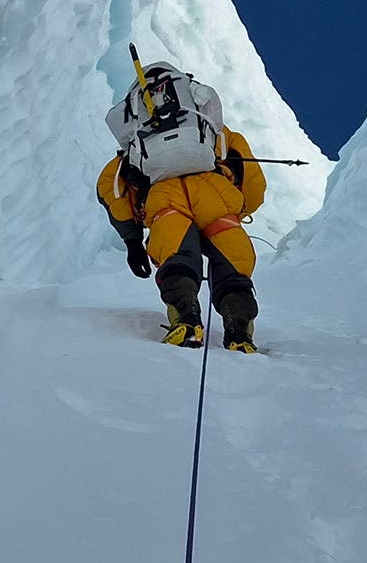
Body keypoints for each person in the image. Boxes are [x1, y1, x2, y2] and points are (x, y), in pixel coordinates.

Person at [97, 61, 266, 351]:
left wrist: (132, 239)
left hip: (165, 199)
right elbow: (252, 178)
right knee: (233, 268)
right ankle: (239, 333)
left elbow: (110, 186)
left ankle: (186, 322)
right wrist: (239, 208)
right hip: (215, 193)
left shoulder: (139, 139)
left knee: (178, 261)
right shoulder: (211, 128)